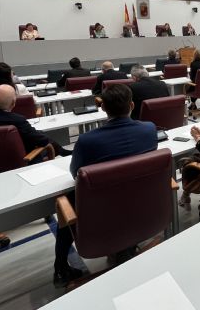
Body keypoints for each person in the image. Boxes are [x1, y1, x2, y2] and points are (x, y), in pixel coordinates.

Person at [54, 84, 158, 286]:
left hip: (100, 217)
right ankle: (125, 246)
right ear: (132, 105)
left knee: (66, 200)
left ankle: (60, 268)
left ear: (102, 107)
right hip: (143, 208)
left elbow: (76, 173)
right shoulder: (149, 129)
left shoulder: (86, 141)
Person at [0, 84, 66, 158]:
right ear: (13, 103)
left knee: (39, 134)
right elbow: (42, 141)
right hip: (20, 159)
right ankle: (64, 152)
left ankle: (63, 151)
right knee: (45, 139)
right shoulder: (17, 119)